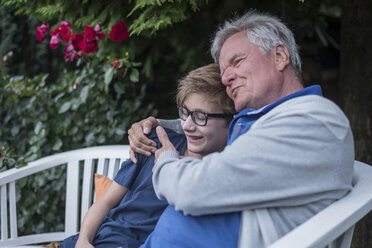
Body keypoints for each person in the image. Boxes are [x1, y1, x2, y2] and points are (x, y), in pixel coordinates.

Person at [128, 10, 354, 247]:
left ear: (279, 56)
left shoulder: (313, 123)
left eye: (237, 61)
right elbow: (219, 122)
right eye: (224, 71)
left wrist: (166, 161)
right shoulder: (273, 121)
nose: (225, 79)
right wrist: (158, 125)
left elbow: (192, 190)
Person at [60, 64, 236, 248]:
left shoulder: (221, 175)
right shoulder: (152, 143)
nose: (187, 126)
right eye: (185, 113)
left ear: (231, 120)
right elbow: (106, 201)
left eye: (201, 117)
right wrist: (83, 240)